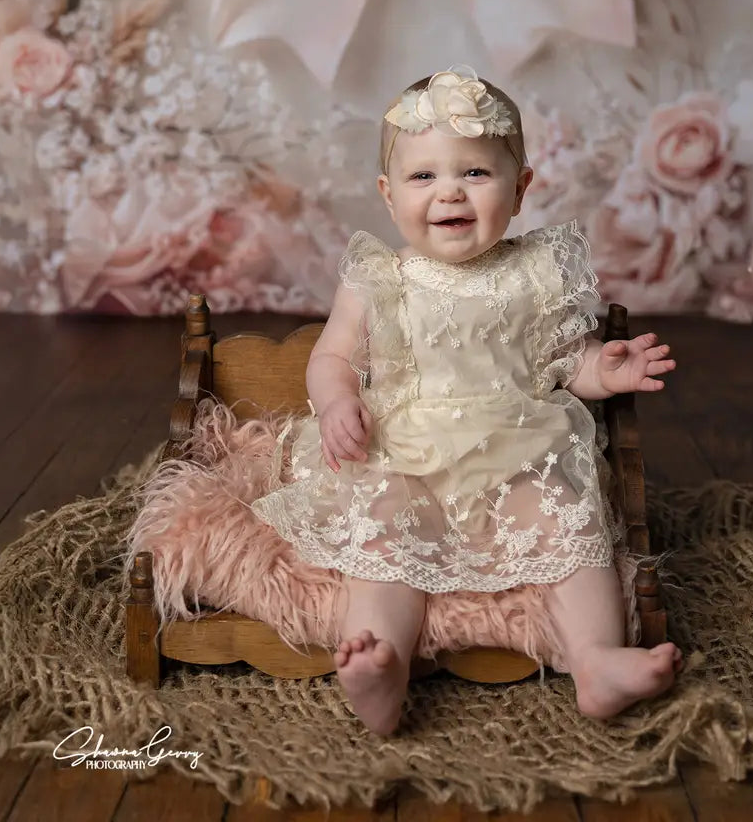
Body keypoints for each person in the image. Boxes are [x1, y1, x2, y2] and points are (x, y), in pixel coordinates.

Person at [250, 65, 683, 734]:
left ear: (521, 188)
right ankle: (379, 662)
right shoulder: (380, 276)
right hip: (407, 450)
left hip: (517, 447)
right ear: (389, 195)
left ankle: (596, 660)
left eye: (475, 174)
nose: (449, 192)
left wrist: (605, 369)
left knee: (571, 521)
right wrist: (338, 404)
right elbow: (333, 356)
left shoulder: (537, 271)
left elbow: (565, 362)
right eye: (424, 177)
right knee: (385, 538)